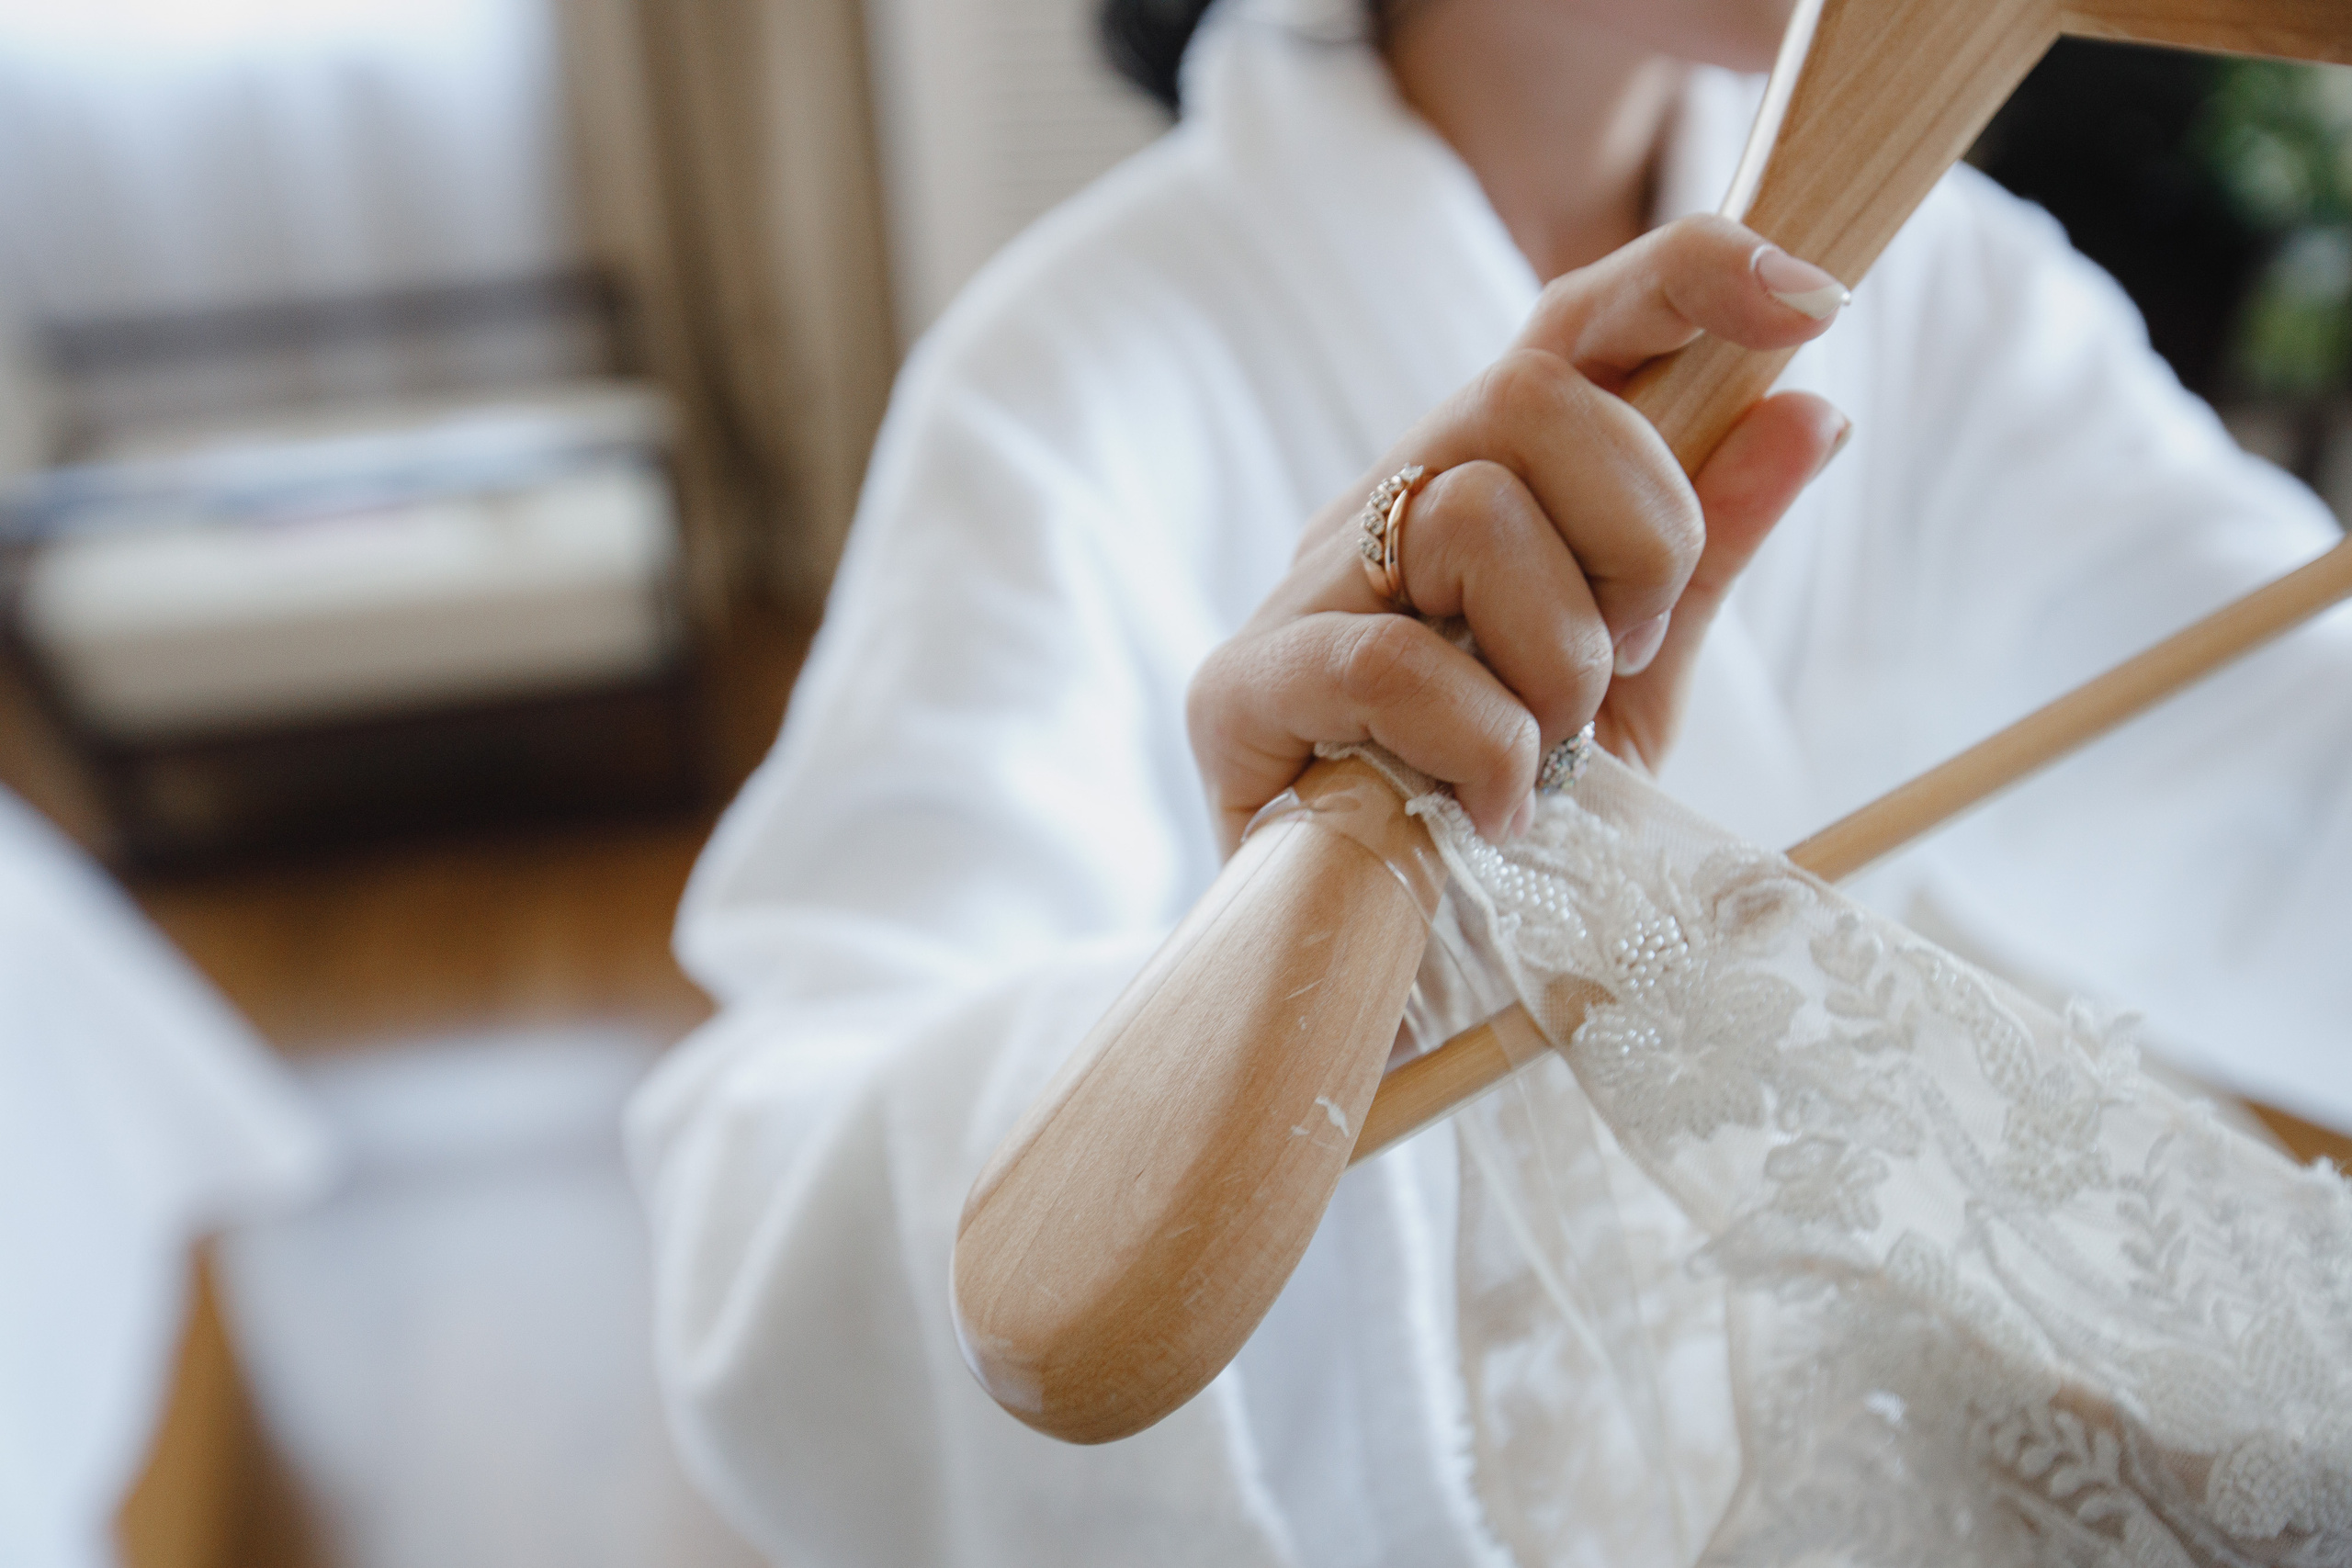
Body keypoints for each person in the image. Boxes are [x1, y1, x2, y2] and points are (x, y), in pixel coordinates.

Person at [627, 0, 2352, 1562]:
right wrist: (1306, 986)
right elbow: (766, 1231)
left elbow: (2298, 799)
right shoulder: (1064, 367)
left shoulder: (1955, 294)